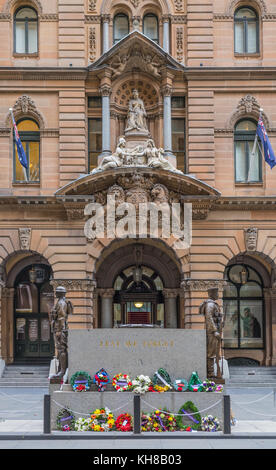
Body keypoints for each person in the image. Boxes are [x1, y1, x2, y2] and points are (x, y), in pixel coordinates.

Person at [199, 288, 223, 378]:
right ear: (212, 294)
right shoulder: (210, 305)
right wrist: (214, 331)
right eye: (216, 293)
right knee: (211, 353)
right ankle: (210, 372)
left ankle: (212, 372)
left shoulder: (213, 304)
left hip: (215, 331)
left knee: (214, 352)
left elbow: (215, 318)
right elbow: (209, 318)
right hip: (212, 333)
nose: (218, 295)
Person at [50, 286, 73, 379]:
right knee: (60, 350)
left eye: (57, 292)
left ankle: (62, 371)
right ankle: (61, 370)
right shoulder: (61, 302)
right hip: (59, 328)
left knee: (61, 349)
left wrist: (59, 330)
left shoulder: (61, 303)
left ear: (60, 293)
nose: (55, 293)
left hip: (60, 329)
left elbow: (61, 317)